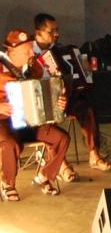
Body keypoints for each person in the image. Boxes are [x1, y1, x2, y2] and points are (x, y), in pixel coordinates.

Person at [31, 13, 111, 177]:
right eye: (51, 31)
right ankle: (61, 163)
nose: (56, 34)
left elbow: (74, 77)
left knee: (86, 108)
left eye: (57, 30)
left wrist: (85, 69)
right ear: (38, 33)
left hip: (64, 98)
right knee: (49, 117)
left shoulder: (61, 50)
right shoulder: (28, 53)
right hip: (41, 102)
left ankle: (94, 154)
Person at [0, 29, 70, 200]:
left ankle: (45, 176)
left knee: (61, 138)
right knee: (10, 143)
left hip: (30, 121)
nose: (32, 53)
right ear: (13, 51)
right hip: (3, 121)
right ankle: (7, 183)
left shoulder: (35, 68)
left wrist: (60, 100)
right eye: (28, 50)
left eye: (31, 49)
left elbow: (54, 89)